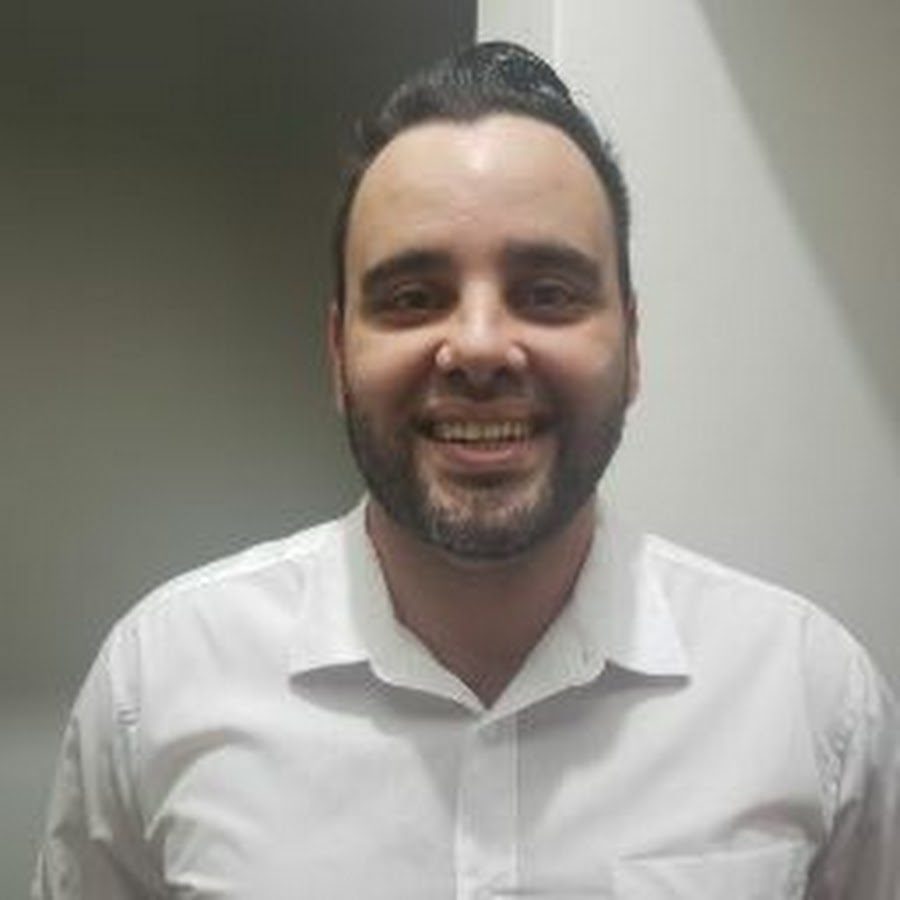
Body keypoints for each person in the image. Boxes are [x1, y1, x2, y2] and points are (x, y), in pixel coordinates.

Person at [33, 41, 898, 899]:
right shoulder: (159, 685)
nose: (479, 347)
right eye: (412, 298)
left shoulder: (811, 704)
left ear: (632, 345)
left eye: (548, 293)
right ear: (337, 353)